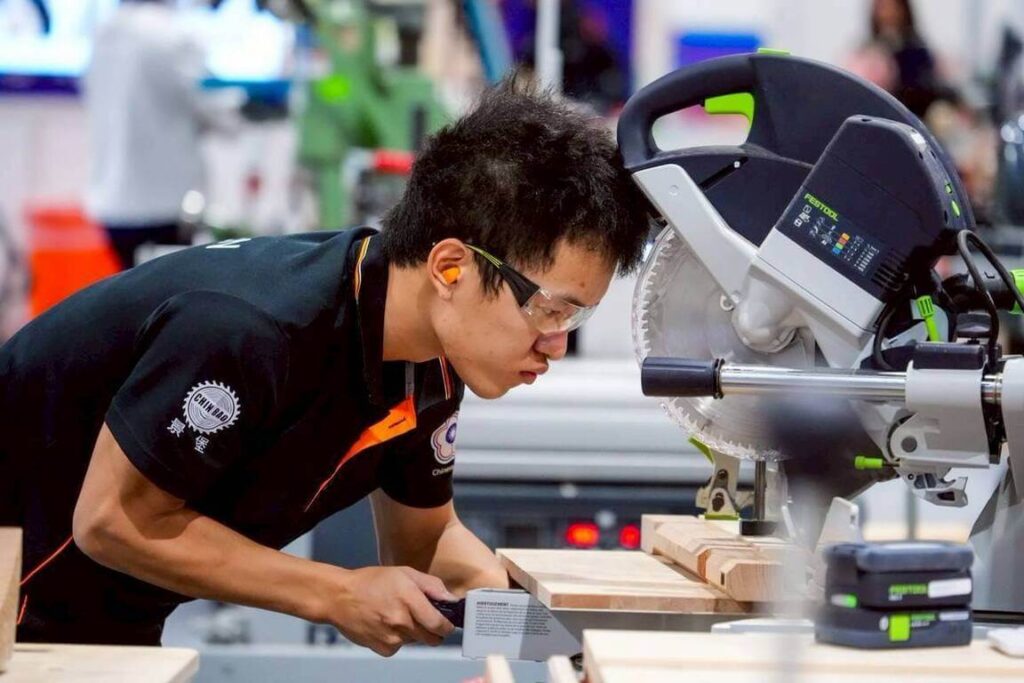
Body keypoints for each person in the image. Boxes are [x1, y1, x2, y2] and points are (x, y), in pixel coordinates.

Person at [0, 78, 651, 654]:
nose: (555, 345)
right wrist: (335, 592)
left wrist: (546, 634)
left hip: (102, 618)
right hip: (19, 600)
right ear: (451, 268)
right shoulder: (251, 330)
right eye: (548, 310)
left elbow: (425, 542)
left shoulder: (428, 363)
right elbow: (114, 520)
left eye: (575, 319)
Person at [82, 0, 237, 268]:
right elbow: (215, 106)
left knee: (134, 283)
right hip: (164, 204)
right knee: (170, 286)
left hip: (112, 202)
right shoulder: (174, 36)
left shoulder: (105, 34)